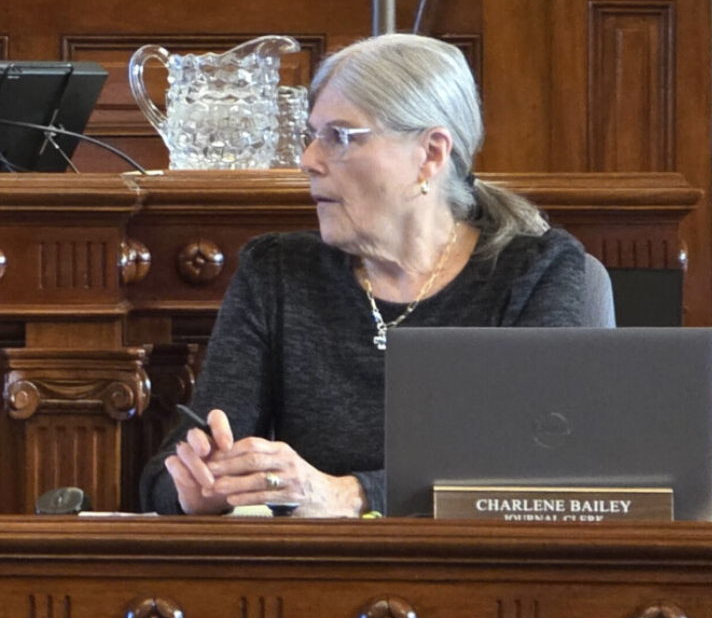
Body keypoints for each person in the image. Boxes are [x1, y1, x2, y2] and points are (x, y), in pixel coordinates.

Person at [141, 32, 597, 517]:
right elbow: (169, 472)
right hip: (318, 578)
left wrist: (351, 495)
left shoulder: (536, 271)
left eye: (340, 136)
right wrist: (197, 490)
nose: (308, 161)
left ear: (431, 154)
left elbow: (541, 471)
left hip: (480, 574)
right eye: (312, 136)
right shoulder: (277, 272)